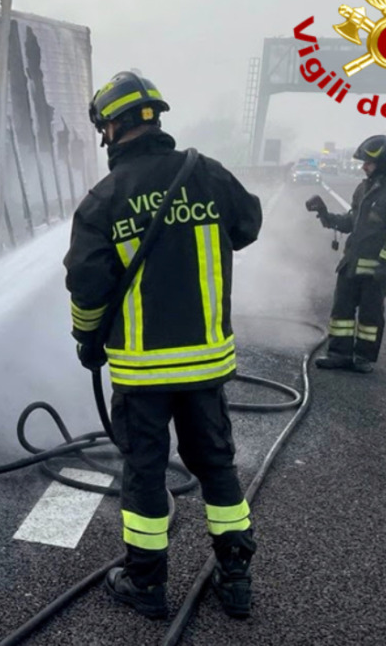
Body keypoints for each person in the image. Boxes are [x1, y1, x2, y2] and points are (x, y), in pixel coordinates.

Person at [64, 71, 263, 620]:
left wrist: (88, 340)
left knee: (146, 472)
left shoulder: (104, 199)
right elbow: (248, 226)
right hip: (205, 365)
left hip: (143, 372)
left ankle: (147, 584)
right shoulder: (206, 175)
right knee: (217, 465)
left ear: (114, 127)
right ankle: (236, 575)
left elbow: (86, 283)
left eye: (104, 127)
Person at [304, 134, 386, 373]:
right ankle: (339, 354)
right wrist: (325, 214)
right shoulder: (364, 188)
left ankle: (363, 358)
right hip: (351, 264)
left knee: (370, 316)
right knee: (341, 312)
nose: (364, 166)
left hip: (376, 269)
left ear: (384, 162)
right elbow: (351, 222)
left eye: (369, 162)